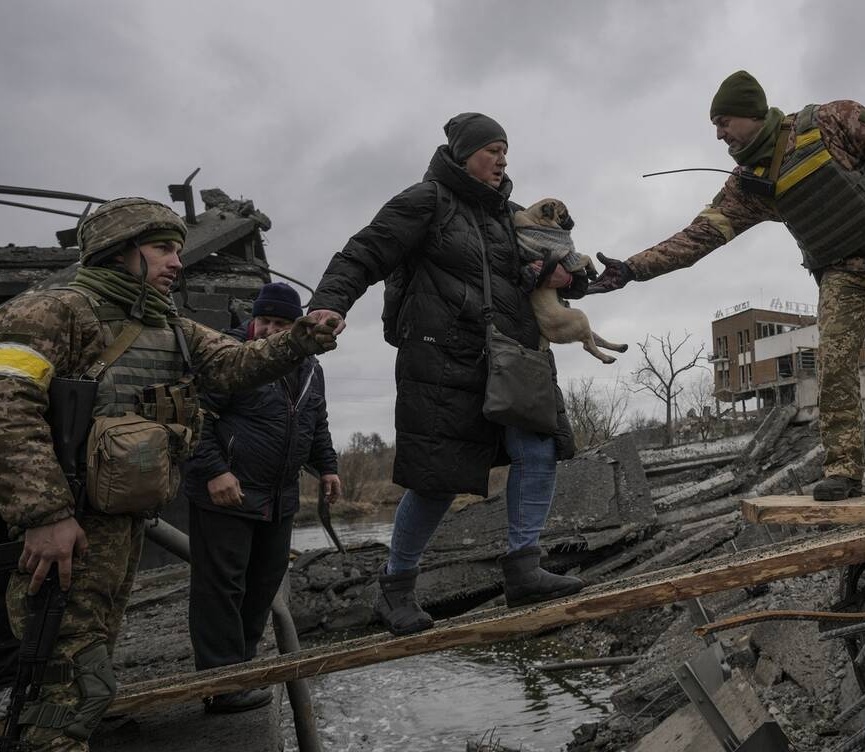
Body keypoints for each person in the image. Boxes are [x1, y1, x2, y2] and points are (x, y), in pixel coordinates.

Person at [0, 198, 338, 750]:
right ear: (118, 251)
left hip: (123, 521)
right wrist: (45, 515)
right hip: (67, 524)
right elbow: (7, 410)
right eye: (163, 249)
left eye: (179, 249)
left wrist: (301, 338)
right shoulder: (48, 314)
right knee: (61, 675)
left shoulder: (169, 327)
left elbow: (237, 363)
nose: (176, 262)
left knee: (94, 647)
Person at [587, 70, 865, 501]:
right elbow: (698, 237)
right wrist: (632, 269)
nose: (718, 134)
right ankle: (844, 471)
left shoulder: (829, 121)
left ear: (751, 113)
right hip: (842, 275)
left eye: (723, 121)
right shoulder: (748, 184)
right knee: (833, 370)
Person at [304, 113, 586, 636]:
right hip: (442, 360)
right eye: (491, 150)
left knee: (538, 448)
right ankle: (396, 588)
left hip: (515, 355)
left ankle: (524, 567)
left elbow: (543, 271)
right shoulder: (426, 200)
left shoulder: (512, 217)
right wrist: (329, 303)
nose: (502, 160)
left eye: (506, 151)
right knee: (437, 479)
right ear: (462, 154)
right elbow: (363, 251)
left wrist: (577, 276)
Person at [180, 281, 341, 713]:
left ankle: (243, 671)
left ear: (296, 325)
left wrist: (327, 466)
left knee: (262, 585)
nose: (270, 330)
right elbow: (195, 418)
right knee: (221, 589)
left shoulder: (309, 365)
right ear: (252, 320)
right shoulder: (226, 356)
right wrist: (216, 471)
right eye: (264, 320)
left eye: (281, 322)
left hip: (278, 497)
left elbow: (315, 419)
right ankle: (221, 685)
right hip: (225, 494)